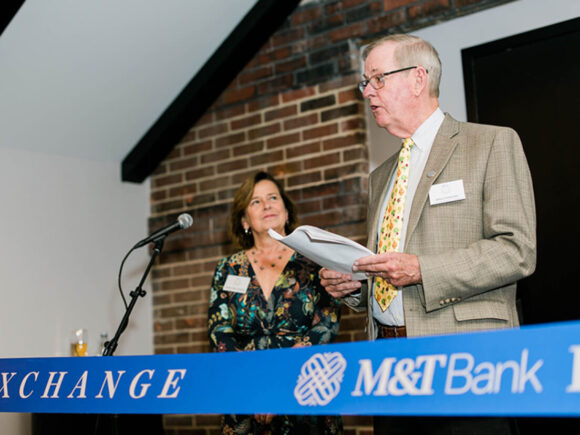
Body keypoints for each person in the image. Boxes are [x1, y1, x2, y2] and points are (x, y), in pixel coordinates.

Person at [320, 34, 536, 434]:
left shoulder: (490, 143)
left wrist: (423, 269)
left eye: (377, 79)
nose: (367, 91)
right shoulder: (381, 175)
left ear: (418, 79)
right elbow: (389, 272)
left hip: (466, 361)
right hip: (387, 364)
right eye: (365, 82)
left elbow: (516, 250)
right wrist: (355, 285)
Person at [208, 171, 343, 435]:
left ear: (287, 211)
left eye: (272, 197)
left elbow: (326, 325)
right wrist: (255, 389)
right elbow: (219, 332)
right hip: (245, 399)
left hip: (305, 390)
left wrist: (280, 384)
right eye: (255, 201)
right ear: (245, 219)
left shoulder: (316, 261)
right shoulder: (228, 268)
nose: (267, 205)